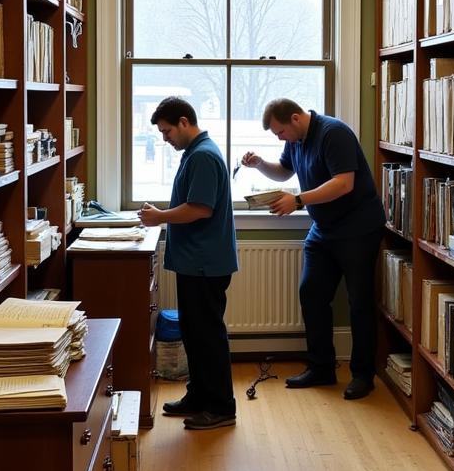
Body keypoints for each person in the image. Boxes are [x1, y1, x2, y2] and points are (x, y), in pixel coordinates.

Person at [241, 99, 385, 400]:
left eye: (281, 133)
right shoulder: (297, 140)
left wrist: (297, 201)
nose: (280, 139)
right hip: (324, 229)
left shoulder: (334, 133)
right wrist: (259, 164)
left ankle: (362, 375)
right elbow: (283, 172)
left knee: (359, 301)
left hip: (357, 228)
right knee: (311, 293)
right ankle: (321, 367)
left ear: (295, 119)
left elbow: (344, 183)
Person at [139, 97, 238, 429]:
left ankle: (222, 407)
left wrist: (159, 218)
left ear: (184, 122)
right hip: (195, 261)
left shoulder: (204, 156)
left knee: (208, 335)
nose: (165, 139)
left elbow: (200, 209)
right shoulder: (195, 153)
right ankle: (198, 395)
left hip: (205, 263)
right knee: (194, 334)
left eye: (167, 132)